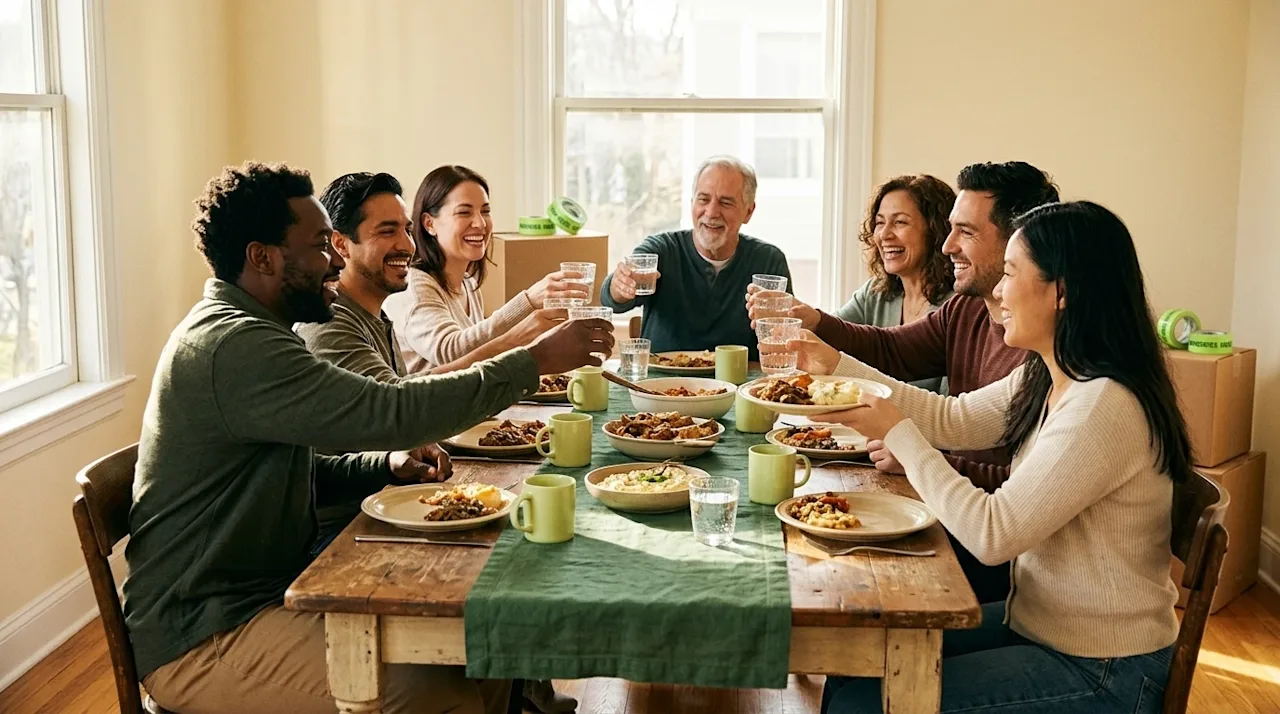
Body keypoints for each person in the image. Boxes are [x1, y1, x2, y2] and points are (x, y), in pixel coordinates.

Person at [124, 161, 613, 714]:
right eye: (319, 246)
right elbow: (392, 409)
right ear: (263, 258)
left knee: (484, 647)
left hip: (267, 592)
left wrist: (382, 465)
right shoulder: (235, 345)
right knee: (437, 696)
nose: (335, 260)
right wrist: (532, 359)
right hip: (205, 632)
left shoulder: (254, 330)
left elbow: (286, 468)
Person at [796, 201, 1186, 713]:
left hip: (1103, 668)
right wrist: (836, 365)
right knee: (852, 664)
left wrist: (900, 436)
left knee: (860, 707)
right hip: (1037, 627)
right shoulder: (1049, 372)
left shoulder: (1103, 404)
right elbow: (949, 417)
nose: (998, 291)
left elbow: (992, 534)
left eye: (1010, 273)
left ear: (1062, 292)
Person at [296, 170, 577, 714]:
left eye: (404, 229)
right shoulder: (330, 325)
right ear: (339, 245)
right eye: (386, 231)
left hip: (376, 497)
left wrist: (393, 460)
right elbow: (397, 412)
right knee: (506, 557)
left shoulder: (373, 314)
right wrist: (529, 347)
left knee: (514, 550)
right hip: (339, 534)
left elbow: (387, 425)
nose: (405, 244)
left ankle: (517, 688)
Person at [749, 161, 1059, 603]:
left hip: (994, 556)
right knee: (816, 565)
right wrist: (827, 352)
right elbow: (931, 395)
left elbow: (1007, 509)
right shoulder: (969, 310)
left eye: (966, 231)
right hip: (959, 515)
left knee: (838, 582)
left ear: (1020, 244)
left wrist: (915, 453)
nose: (948, 245)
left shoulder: (1048, 356)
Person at [384, 165, 589, 373]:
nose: (480, 223)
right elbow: (450, 352)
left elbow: (479, 358)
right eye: (464, 212)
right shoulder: (413, 287)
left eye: (485, 211)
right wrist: (527, 301)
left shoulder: (468, 283)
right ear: (429, 224)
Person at [601, 155, 792, 358]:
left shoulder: (768, 261)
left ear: (748, 212)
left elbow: (786, 334)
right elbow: (610, 299)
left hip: (740, 377)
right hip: (662, 376)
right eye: (703, 199)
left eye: (725, 203)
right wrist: (619, 287)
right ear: (692, 203)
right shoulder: (661, 250)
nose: (711, 212)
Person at [833, 174, 956, 393]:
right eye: (880, 222)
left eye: (900, 222)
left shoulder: (959, 307)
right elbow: (830, 337)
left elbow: (950, 404)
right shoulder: (875, 293)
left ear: (935, 230)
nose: (884, 234)